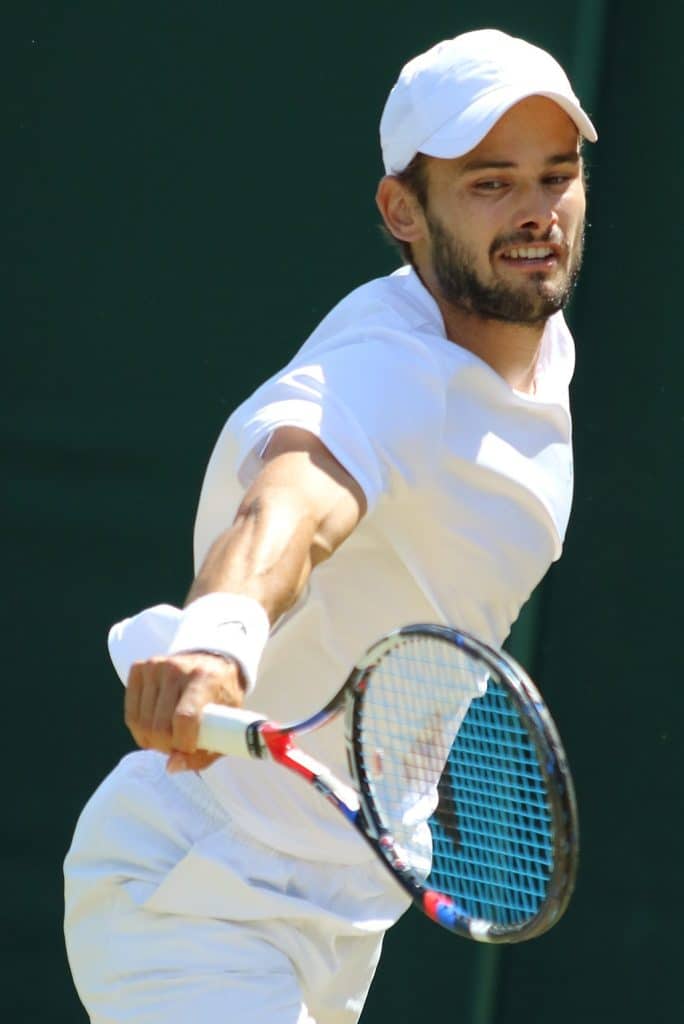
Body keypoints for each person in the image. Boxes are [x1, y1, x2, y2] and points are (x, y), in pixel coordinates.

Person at [64, 27, 597, 1024]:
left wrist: (408, 747)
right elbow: (295, 500)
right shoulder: (389, 371)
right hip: (196, 894)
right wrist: (217, 638)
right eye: (490, 185)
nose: (536, 214)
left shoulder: (538, 339)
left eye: (555, 177)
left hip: (340, 913)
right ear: (404, 209)